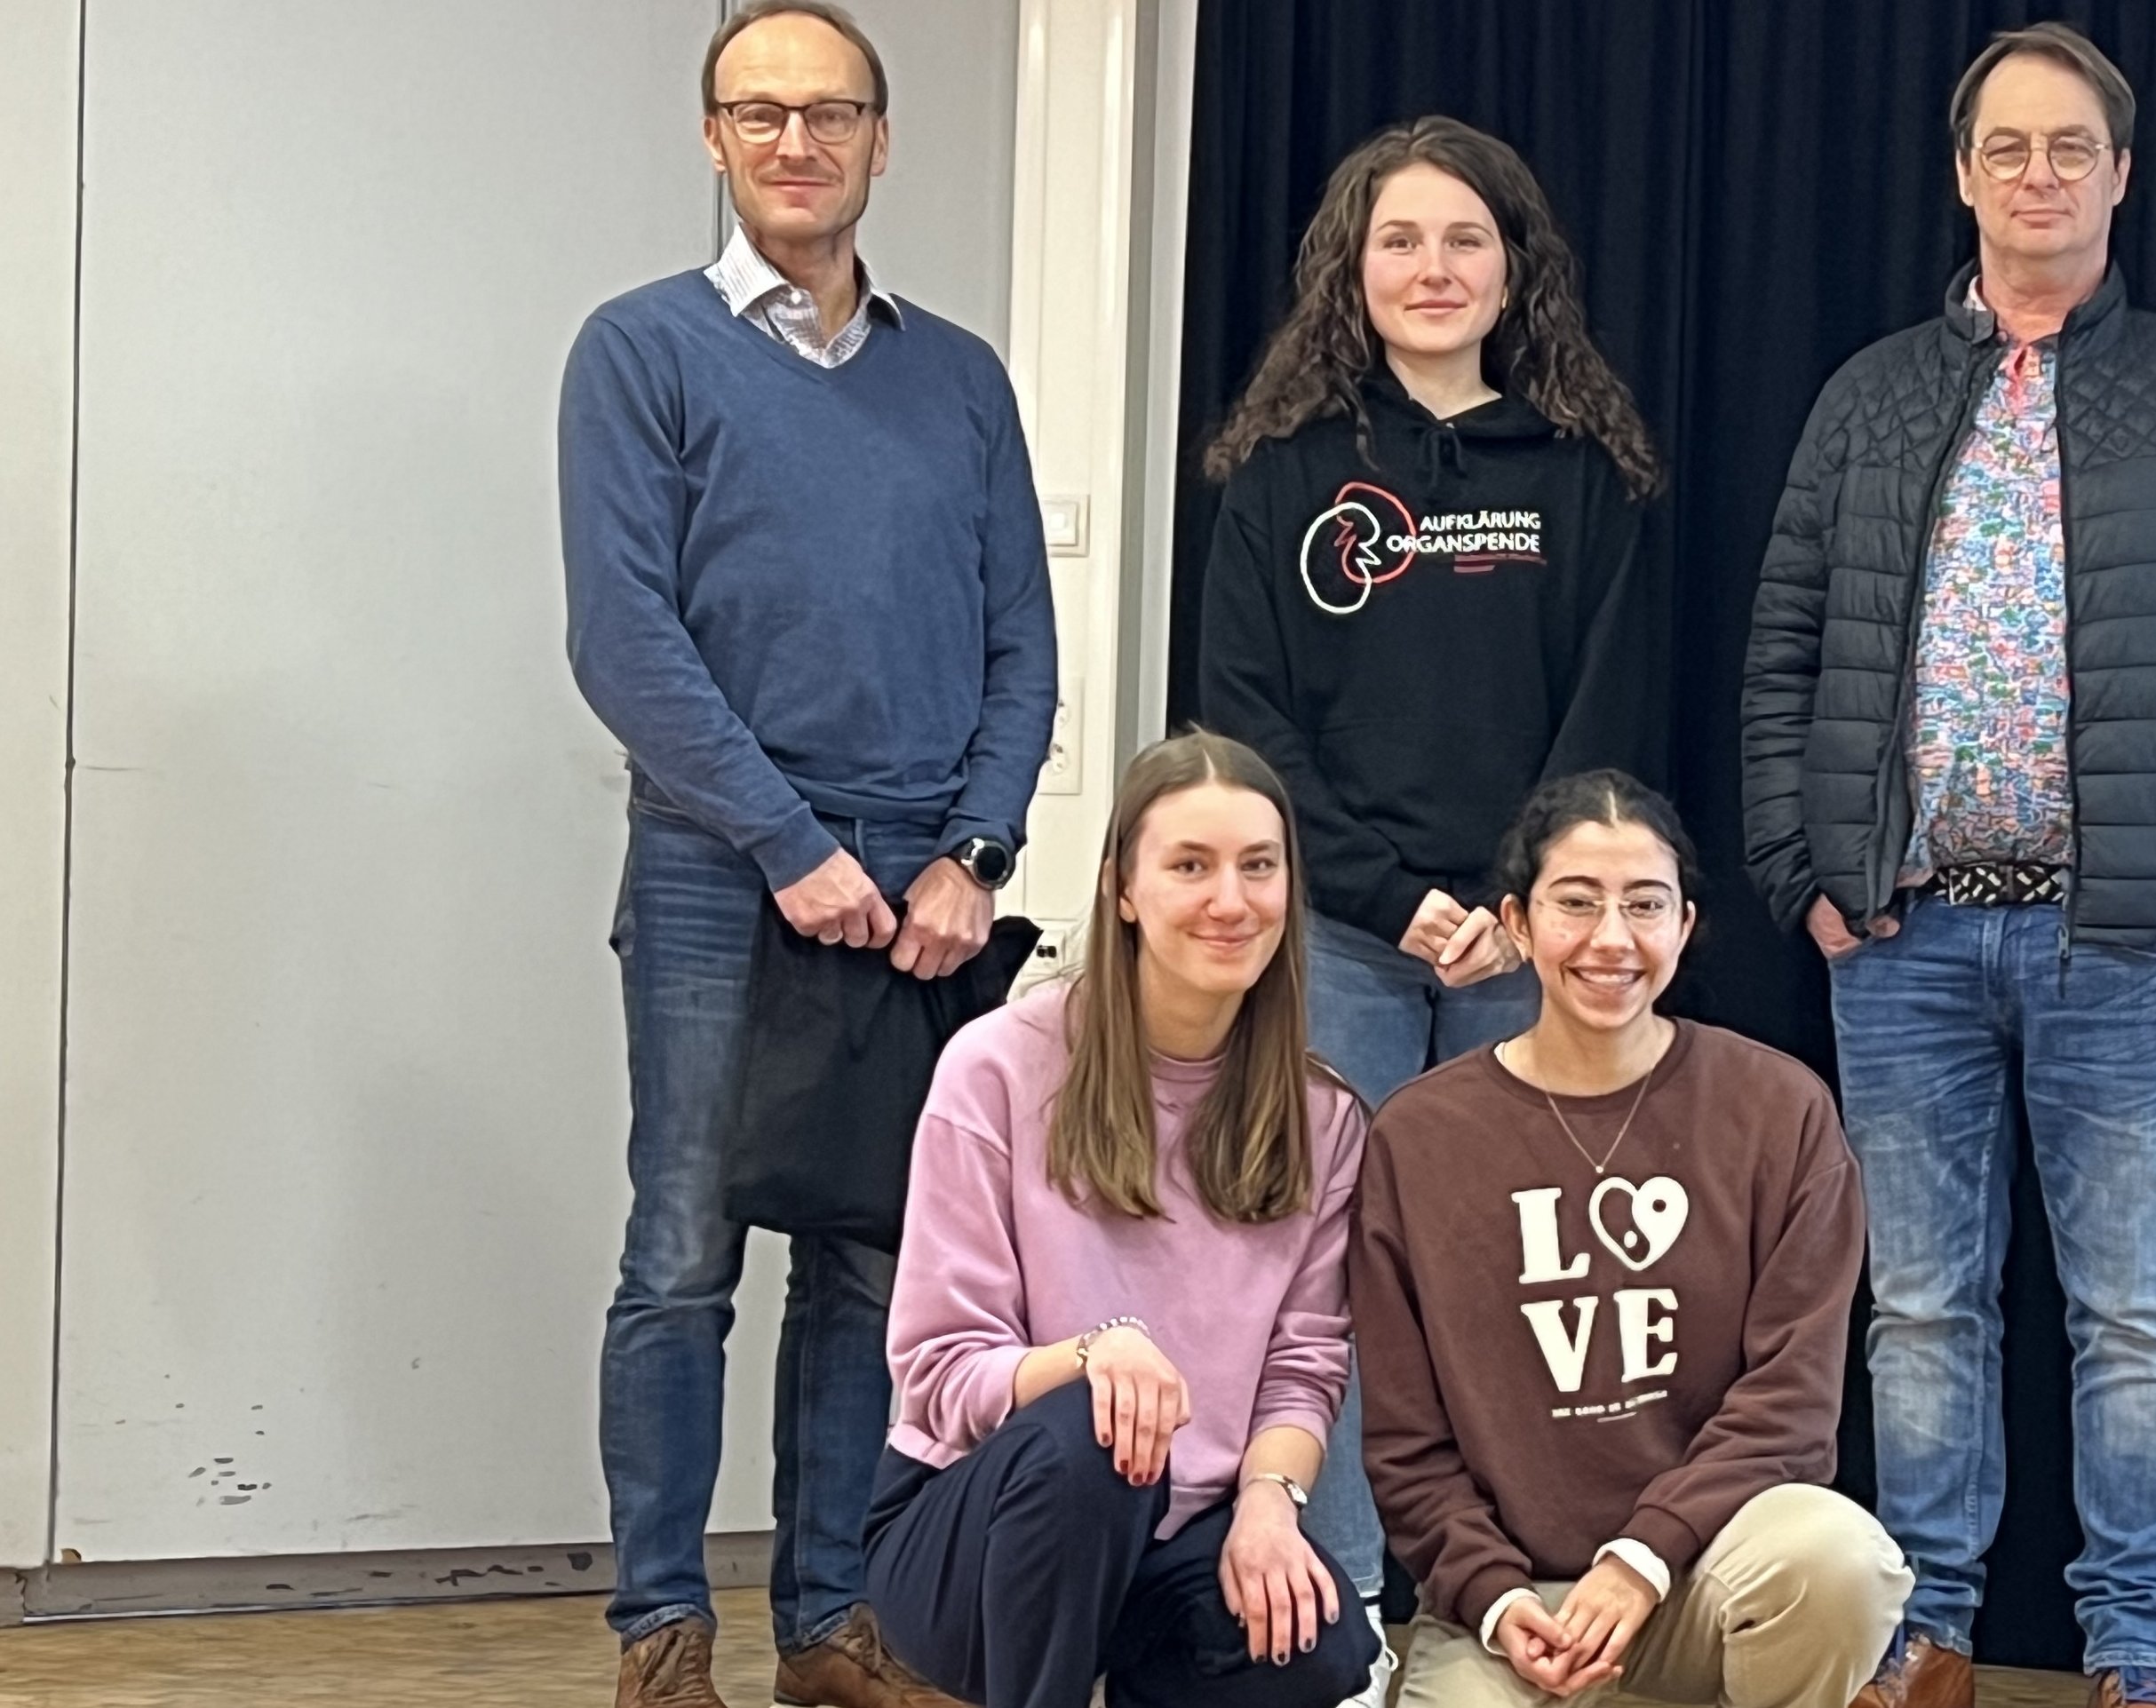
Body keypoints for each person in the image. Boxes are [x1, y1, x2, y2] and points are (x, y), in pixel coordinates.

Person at [1738, 23, 2156, 1708]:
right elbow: (1784, 634)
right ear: (1960, 175)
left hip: (2128, 935)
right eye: (2004, 148)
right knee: (1922, 1308)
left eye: (2066, 148)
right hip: (1903, 931)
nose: (2035, 176)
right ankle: (1923, 1630)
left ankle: (2133, 1651)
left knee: (2132, 1314)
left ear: (2119, 173)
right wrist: (1796, 856)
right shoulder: (1869, 394)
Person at [559, 4, 1055, 1703]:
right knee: (681, 1252)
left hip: (921, 888)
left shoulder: (961, 375)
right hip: (719, 867)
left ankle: (830, 1622)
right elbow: (624, 639)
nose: (793, 142)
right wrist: (784, 841)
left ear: (879, 141)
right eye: (757, 113)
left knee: (872, 1258)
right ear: (712, 138)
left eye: (827, 113)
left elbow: (1020, 646)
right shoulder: (640, 353)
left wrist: (970, 852)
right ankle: (659, 1629)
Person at [1194, 114, 1666, 1689]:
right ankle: (1330, 1617)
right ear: (1352, 267)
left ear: (1511, 266)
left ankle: (1510, 1609)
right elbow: (1245, 730)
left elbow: (1604, 715)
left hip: (1534, 952)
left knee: (1528, 1284)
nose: (1433, 268)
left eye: (1464, 239)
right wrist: (1403, 899)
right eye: (1399, 240)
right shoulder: (1276, 478)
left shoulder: (1586, 473)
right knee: (1322, 1278)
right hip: (1339, 941)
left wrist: (1516, 905)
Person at [1353, 771, 1910, 1707]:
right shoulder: (1416, 1139)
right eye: (1574, 903)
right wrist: (1492, 1598)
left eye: (1643, 905)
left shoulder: (1777, 1111)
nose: (1611, 939)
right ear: (1517, 925)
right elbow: (1407, 1444)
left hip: (1702, 1575)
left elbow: (1791, 1405)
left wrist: (1644, 1555)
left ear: (1684, 927)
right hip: (1515, 1608)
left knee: (1841, 1561)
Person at [861, 733, 1380, 1708]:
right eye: (1190, 866)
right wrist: (1094, 1355)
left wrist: (1269, 1503)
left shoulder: (1326, 1119)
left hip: (1182, 1531)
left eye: (1257, 867)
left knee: (1317, 1643)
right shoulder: (997, 1066)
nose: (1230, 900)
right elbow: (937, 1373)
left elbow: (1302, 1370)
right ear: (1122, 892)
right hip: (976, 1526)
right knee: (1099, 1435)